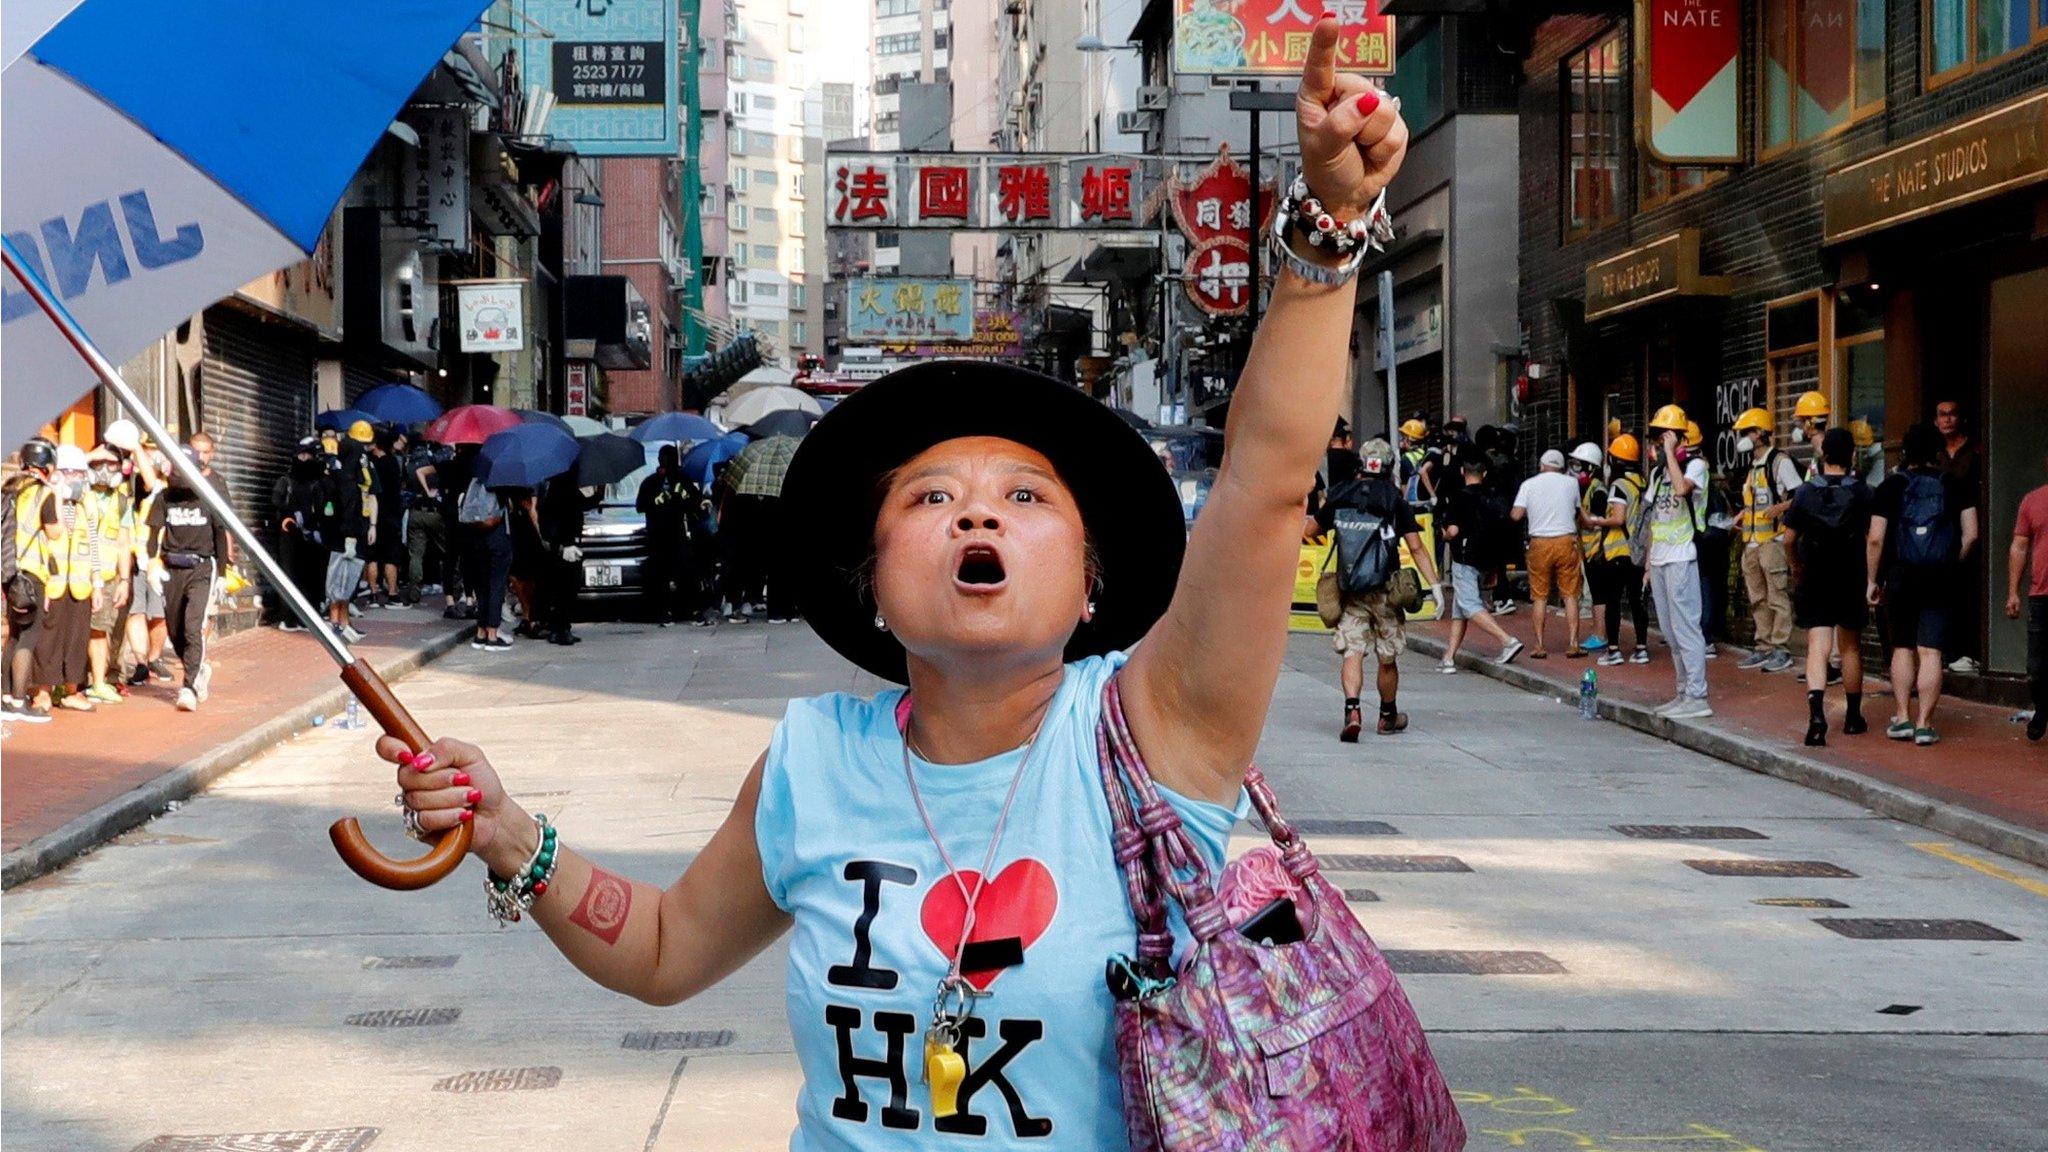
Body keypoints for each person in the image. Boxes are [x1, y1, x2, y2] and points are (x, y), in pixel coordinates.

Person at [385, 33, 1409, 1148]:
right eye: (927, 500)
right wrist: (507, 835)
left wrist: (1323, 233)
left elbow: (1263, 483)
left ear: (1089, 585)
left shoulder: (1153, 735)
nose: (974, 515)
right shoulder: (813, 763)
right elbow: (668, 949)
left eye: (1024, 499)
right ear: (872, 582)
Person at [1312, 438, 1443, 739]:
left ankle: (1352, 710)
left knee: (1352, 651)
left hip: (1351, 590)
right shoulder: (1395, 500)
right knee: (1388, 657)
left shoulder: (1340, 495)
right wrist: (1435, 586)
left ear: (1362, 464)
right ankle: (1387, 717)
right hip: (1386, 591)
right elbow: (1417, 547)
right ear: (1389, 468)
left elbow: (1310, 530)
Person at [1868, 423, 1979, 746]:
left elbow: (1875, 538)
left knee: (1902, 646)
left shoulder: (1890, 487)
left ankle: (1902, 717)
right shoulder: (1955, 485)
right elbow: (1971, 533)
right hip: (1940, 576)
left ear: (1905, 452)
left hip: (1901, 576)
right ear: (1937, 452)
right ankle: (1925, 724)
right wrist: (1952, 559)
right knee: (1931, 651)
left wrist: (1872, 579)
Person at [1784, 429, 1873, 748]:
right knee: (1849, 646)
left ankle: (1817, 717)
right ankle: (1852, 718)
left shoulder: (1806, 492)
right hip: (1851, 574)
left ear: (1824, 456)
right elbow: (1872, 538)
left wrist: (1796, 565)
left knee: (1817, 645)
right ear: (1851, 456)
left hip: (1816, 574)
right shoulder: (1863, 492)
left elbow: (1789, 538)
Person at [1638, 405, 1712, 718]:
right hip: (1660, 558)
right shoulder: (1658, 473)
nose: (1657, 444)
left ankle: (1698, 695)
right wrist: (1647, 566)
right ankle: (1683, 691)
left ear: (1678, 438)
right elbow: (1654, 517)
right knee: (1669, 631)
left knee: (1686, 628)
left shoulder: (1696, 466)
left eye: (1663, 437)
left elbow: (1682, 491)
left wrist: (1671, 452)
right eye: (1656, 439)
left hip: (1683, 554)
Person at [147, 448, 230, 711]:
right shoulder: (164, 497)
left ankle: (189, 687)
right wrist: (151, 563)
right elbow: (153, 531)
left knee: (193, 625)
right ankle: (198, 667)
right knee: (176, 630)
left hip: (201, 568)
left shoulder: (208, 496)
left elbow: (219, 534)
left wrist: (223, 575)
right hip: (172, 568)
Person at [1732, 407, 1804, 674]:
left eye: (1748, 432)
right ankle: (1762, 646)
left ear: (1760, 433)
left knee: (1777, 596)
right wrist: (1742, 514)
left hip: (1772, 541)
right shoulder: (1753, 466)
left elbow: (1800, 496)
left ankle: (1780, 648)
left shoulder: (1780, 462)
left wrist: (1780, 509)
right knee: (1757, 597)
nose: (1744, 437)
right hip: (1751, 541)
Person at [1436, 453, 1523, 669]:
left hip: (1464, 559)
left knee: (1469, 604)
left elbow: (1453, 531)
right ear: (1484, 473)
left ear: (1462, 472)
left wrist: (1444, 534)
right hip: (1487, 559)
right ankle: (1449, 657)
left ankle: (1507, 640)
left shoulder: (1459, 497)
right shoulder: (1494, 497)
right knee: (1460, 607)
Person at [3, 439, 59, 721]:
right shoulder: (43, 494)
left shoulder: (9, 488)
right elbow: (55, 533)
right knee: (29, 636)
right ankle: (17, 702)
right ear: (48, 465)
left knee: (13, 633)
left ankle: (4, 697)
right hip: (31, 572)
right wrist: (58, 497)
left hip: (9, 571)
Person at [1512, 448, 1584, 659]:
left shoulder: (1528, 484)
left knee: (1540, 596)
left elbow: (1516, 515)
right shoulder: (1572, 484)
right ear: (1561, 467)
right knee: (1570, 594)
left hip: (1539, 543)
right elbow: (1577, 512)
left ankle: (1539, 645)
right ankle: (1573, 643)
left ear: (1542, 466)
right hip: (1566, 541)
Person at [1585, 434, 1650, 667]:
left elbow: (1618, 518)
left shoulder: (1618, 485)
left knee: (1613, 601)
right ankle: (1641, 648)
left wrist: (1597, 521)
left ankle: (1613, 650)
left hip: (1618, 552)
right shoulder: (1643, 483)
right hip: (1638, 552)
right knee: (1636, 601)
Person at [637, 445, 712, 628]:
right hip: (667, 535)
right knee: (675, 573)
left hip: (668, 534)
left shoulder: (661, 482)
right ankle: (680, 611)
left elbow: (696, 504)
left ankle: (674, 611)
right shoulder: (663, 481)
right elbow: (642, 506)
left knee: (676, 573)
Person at [1934, 399, 1983, 676]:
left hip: (1971, 528)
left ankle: (1968, 653)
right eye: (1943, 415)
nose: (1948, 419)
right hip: (1939, 533)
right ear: (1936, 420)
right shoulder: (1935, 455)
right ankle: (1946, 651)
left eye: (1953, 414)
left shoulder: (1975, 451)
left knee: (1968, 592)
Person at [82, 446, 134, 704]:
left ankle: (99, 682)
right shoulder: (78, 490)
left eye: (111, 464)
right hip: (76, 575)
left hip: (108, 576)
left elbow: (124, 543)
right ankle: (68, 683)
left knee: (100, 631)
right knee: (73, 631)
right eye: (98, 462)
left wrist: (124, 580)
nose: (103, 469)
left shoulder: (122, 500)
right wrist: (87, 457)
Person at [2006, 449, 2048, 742]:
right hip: (2041, 594)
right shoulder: (2032, 501)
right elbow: (2019, 546)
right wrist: (2012, 592)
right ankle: (2043, 708)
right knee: (2036, 667)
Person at [123, 448, 173, 686]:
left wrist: (135, 447)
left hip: (157, 563)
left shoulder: (162, 491)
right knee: (135, 612)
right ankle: (142, 664)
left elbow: (152, 481)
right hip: (133, 560)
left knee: (159, 616)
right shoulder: (127, 490)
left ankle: (154, 657)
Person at [319, 430, 373, 644]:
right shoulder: (344, 479)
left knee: (344, 584)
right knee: (338, 582)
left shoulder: (344, 475)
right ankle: (335, 623)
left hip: (346, 535)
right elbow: (345, 507)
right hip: (344, 537)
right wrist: (350, 535)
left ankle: (341, 622)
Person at [271, 436, 330, 630]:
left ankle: (308, 617)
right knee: (290, 576)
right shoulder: (286, 481)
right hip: (290, 537)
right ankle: (288, 617)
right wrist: (289, 517)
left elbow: (325, 507)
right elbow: (277, 503)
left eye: (310, 455)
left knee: (311, 578)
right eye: (302, 455)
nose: (306, 459)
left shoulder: (318, 482)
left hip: (311, 538)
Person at [537, 478, 592, 646]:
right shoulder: (563, 487)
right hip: (565, 545)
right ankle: (561, 628)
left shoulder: (552, 486)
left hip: (561, 543)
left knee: (563, 588)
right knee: (566, 588)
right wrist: (565, 544)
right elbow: (565, 514)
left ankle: (560, 627)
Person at [405, 435, 447, 601]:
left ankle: (414, 589)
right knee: (447, 551)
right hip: (435, 511)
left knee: (416, 554)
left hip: (416, 511)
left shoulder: (409, 465)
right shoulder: (436, 462)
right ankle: (455, 589)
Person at [1792, 390, 1831, 479]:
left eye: (1799, 423)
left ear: (1808, 424)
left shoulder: (1824, 454)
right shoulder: (1819, 452)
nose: (1798, 428)